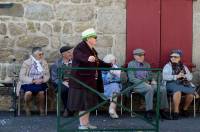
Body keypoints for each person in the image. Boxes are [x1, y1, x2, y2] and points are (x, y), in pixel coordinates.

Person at [67, 28, 112, 130]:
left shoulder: (91, 49)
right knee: (83, 104)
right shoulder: (80, 47)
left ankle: (86, 123)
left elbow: (97, 61)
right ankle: (83, 125)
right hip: (81, 82)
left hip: (90, 81)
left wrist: (109, 65)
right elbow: (78, 55)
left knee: (88, 104)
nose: (96, 39)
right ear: (88, 38)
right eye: (94, 37)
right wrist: (87, 58)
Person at [127, 48, 170, 120]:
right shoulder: (131, 64)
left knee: (162, 89)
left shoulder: (147, 64)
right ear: (134, 56)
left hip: (148, 83)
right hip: (136, 84)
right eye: (139, 55)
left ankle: (162, 111)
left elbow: (150, 75)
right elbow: (131, 78)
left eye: (143, 55)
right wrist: (143, 83)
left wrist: (153, 80)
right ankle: (148, 112)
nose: (141, 57)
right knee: (149, 89)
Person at [163, 49, 196, 120]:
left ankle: (185, 109)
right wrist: (176, 76)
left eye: (175, 57)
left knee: (190, 94)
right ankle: (176, 111)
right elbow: (164, 77)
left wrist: (184, 76)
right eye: (171, 57)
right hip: (171, 83)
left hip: (182, 83)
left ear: (179, 58)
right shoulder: (167, 66)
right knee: (177, 91)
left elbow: (190, 77)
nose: (173, 58)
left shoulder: (183, 66)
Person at [19, 47, 50, 116]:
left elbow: (47, 75)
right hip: (29, 83)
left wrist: (42, 80)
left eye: (42, 54)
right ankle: (27, 107)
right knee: (28, 93)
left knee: (41, 93)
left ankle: (41, 108)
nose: (41, 56)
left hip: (40, 82)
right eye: (39, 54)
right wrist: (33, 80)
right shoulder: (26, 62)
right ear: (34, 55)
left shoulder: (44, 62)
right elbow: (22, 76)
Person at [51, 46, 73, 117]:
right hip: (61, 83)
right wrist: (63, 82)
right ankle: (69, 109)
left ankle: (68, 109)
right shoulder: (57, 64)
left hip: (74, 83)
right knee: (63, 89)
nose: (71, 54)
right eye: (69, 52)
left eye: (71, 52)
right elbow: (54, 78)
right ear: (63, 54)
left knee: (76, 89)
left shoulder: (76, 62)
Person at [102, 54, 121, 119]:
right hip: (104, 86)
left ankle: (112, 109)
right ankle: (112, 109)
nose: (114, 62)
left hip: (114, 85)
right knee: (114, 87)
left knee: (115, 87)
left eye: (114, 61)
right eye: (112, 61)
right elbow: (103, 80)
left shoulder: (116, 67)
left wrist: (117, 76)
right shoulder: (103, 69)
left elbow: (120, 79)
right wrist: (110, 74)